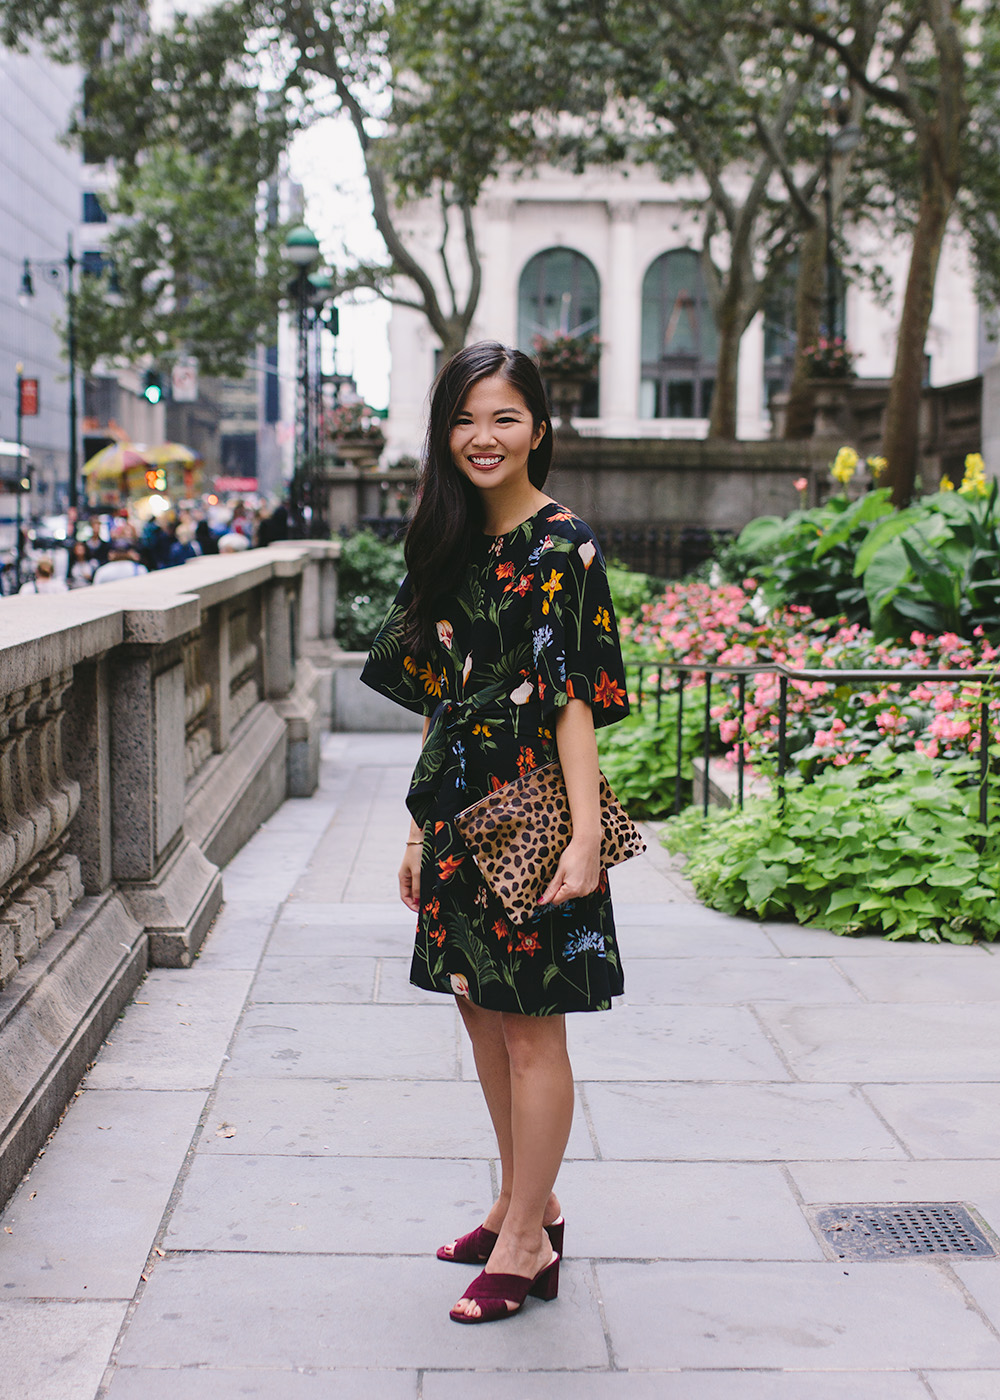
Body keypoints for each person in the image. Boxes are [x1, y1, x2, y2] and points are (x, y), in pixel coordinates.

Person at [361, 342, 630, 1325]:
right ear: (446, 430)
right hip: (456, 805)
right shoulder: (451, 540)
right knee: (476, 1008)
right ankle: (530, 1198)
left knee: (530, 1030)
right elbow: (439, 692)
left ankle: (528, 1242)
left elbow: (571, 700)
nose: (483, 436)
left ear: (539, 429)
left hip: (531, 811)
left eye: (505, 417)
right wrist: (413, 830)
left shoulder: (565, 546)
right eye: (467, 417)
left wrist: (584, 834)